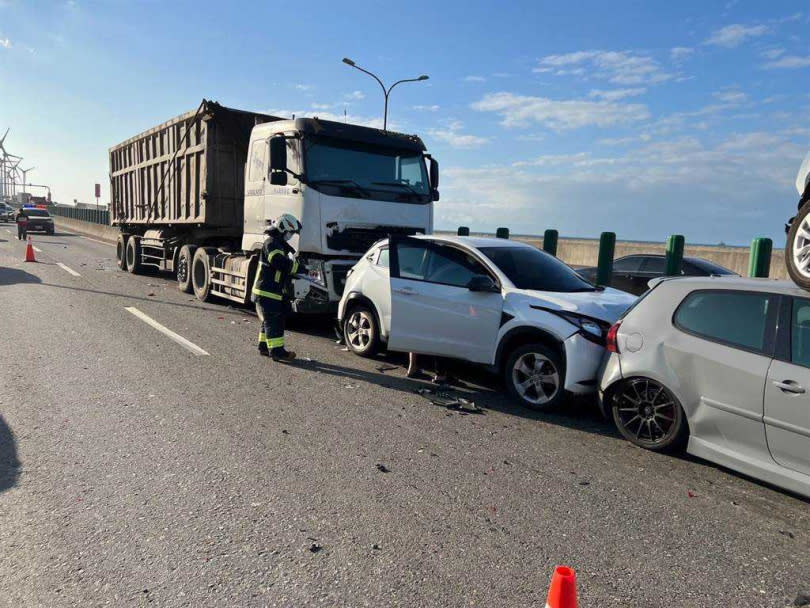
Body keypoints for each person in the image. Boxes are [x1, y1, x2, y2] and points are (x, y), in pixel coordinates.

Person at [251, 213, 303, 362]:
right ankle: (277, 352)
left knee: (268, 321)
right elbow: (278, 262)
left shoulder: (276, 243)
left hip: (269, 291)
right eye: (290, 233)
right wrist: (299, 268)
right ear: (282, 229)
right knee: (275, 321)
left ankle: (264, 347)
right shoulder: (272, 243)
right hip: (268, 291)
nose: (290, 236)